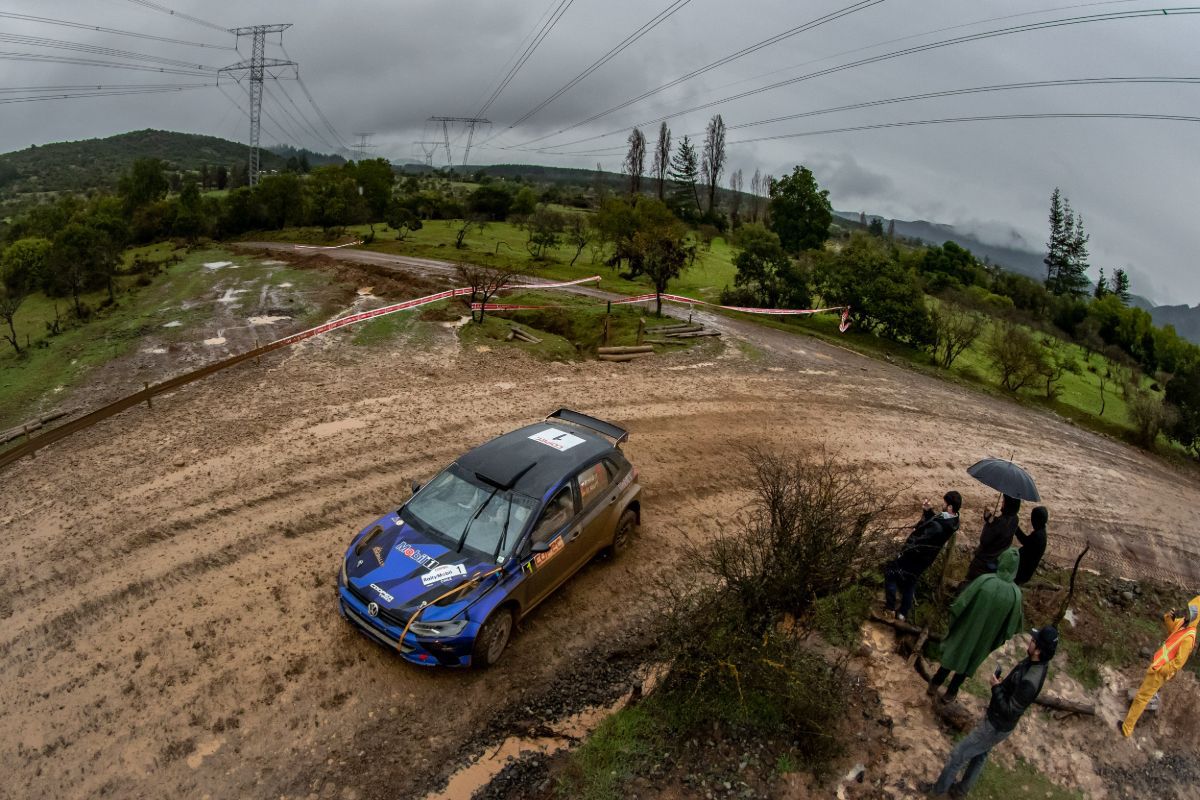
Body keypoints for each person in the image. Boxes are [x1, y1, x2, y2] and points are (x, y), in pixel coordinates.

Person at [927, 627, 1059, 797]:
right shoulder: (1035, 662)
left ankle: (937, 793)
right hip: (999, 723)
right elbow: (1014, 693)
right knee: (980, 755)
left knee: (958, 755)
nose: (1030, 641)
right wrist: (1004, 685)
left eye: (1034, 641)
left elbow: (1009, 711)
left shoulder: (1030, 681)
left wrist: (996, 687)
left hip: (996, 725)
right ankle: (959, 792)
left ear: (1039, 650)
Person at [928, 548, 1025, 702]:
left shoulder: (985, 581)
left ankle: (935, 683)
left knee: (955, 652)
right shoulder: (1016, 595)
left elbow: (960, 604)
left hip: (967, 629)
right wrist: (996, 637)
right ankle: (951, 692)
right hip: (986, 638)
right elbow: (1012, 628)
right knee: (970, 660)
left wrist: (955, 621)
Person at [1120, 595, 1200, 737]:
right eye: (1189, 609)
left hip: (1160, 670)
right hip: (1157, 664)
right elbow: (1171, 631)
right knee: (1142, 695)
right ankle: (1128, 724)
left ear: (1196, 616)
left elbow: (1178, 663)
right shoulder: (1182, 623)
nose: (1187, 612)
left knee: (1142, 697)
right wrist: (1169, 618)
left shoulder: (1189, 637)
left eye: (1191, 611)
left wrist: (1162, 670)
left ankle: (1127, 728)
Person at [884, 491, 962, 621]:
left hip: (914, 557)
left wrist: (905, 550)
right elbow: (936, 524)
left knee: (890, 573)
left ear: (950, 507)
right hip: (925, 560)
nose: (942, 504)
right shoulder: (953, 521)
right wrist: (928, 511)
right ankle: (902, 613)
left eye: (945, 503)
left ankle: (890, 608)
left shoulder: (938, 526)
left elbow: (921, 540)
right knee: (910, 583)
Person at [966, 495, 1020, 582]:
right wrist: (991, 519)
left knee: (969, 584)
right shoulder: (1015, 519)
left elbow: (984, 540)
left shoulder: (1000, 522)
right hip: (995, 561)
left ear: (1008, 504)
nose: (1002, 503)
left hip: (983, 562)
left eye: (1004, 501)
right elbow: (1000, 531)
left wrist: (989, 524)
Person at [1013, 506, 1048, 586]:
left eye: (1032, 518)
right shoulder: (1041, 533)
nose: (1031, 521)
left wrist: (1016, 528)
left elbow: (1025, 541)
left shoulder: (1038, 536)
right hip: (1025, 570)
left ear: (1036, 520)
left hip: (1021, 571)